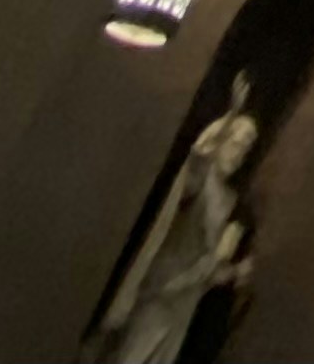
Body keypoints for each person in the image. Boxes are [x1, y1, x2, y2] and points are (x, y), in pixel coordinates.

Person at [90, 86, 258, 364]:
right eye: (237, 144)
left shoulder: (228, 200)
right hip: (162, 291)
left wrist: (231, 272)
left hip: (182, 306)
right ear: (222, 140)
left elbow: (208, 266)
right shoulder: (199, 181)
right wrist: (229, 117)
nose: (239, 154)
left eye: (246, 149)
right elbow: (197, 160)